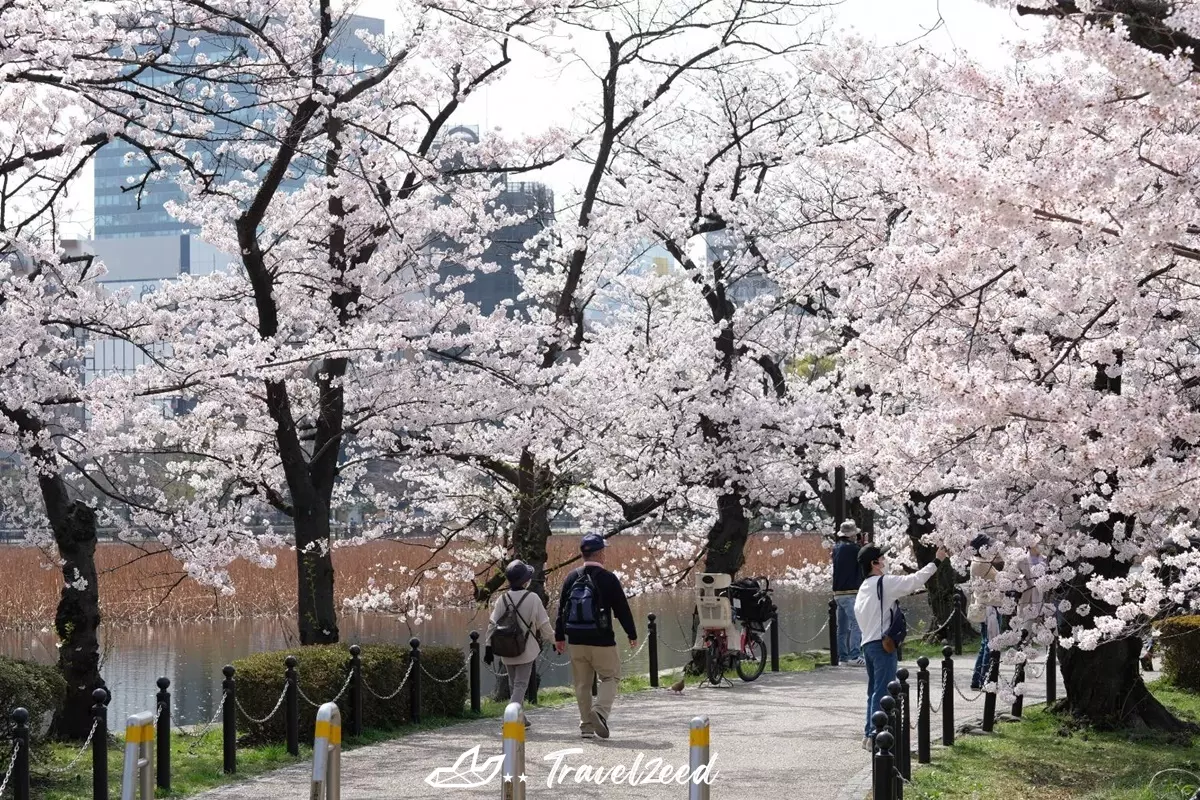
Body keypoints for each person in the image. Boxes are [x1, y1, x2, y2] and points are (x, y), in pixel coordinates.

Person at [854, 543, 947, 750]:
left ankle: (869, 733)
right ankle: (877, 737)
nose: (885, 561)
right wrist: (937, 560)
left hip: (868, 644)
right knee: (884, 690)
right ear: (874, 563)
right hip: (882, 645)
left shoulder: (864, 588)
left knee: (874, 691)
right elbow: (914, 581)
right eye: (882, 558)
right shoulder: (883, 583)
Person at [554, 533, 638, 739]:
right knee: (610, 676)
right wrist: (631, 633)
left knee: (582, 684)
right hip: (602, 640)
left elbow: (561, 609)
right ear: (600, 553)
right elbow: (621, 609)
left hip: (575, 639)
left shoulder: (571, 577)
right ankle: (599, 712)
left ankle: (586, 727)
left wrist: (559, 636)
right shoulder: (608, 579)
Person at [483, 559, 554, 728]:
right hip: (526, 649)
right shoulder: (533, 598)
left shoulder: (503, 598)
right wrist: (553, 640)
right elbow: (544, 624)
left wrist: (488, 646)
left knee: (513, 683)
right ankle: (510, 719)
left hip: (506, 648)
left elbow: (492, 624)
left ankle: (521, 718)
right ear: (525, 581)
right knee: (520, 685)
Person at [967, 535, 1004, 690]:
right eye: (989, 546)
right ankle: (985, 679)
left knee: (985, 644)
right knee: (990, 644)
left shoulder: (979, 562)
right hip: (990, 609)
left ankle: (978, 679)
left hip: (987, 607)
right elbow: (1001, 578)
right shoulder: (982, 565)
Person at [831, 520, 865, 665]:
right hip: (851, 592)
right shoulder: (854, 549)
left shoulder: (836, 548)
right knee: (857, 623)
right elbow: (863, 560)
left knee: (842, 628)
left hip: (838, 593)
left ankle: (843, 657)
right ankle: (854, 655)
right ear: (852, 535)